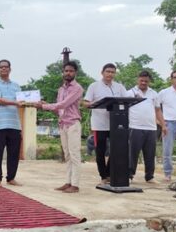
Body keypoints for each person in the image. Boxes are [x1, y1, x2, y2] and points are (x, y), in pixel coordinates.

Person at [36, 61, 84, 193]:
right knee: (67, 155)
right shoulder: (61, 89)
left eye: (71, 71)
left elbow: (63, 104)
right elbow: (59, 109)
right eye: (66, 71)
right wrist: (46, 106)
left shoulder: (77, 88)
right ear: (63, 72)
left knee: (74, 154)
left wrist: (44, 106)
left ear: (75, 73)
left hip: (73, 123)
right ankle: (68, 182)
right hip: (63, 124)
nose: (68, 73)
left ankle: (75, 184)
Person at [82, 63, 127, 185]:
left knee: (116, 150)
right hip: (99, 124)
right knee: (100, 151)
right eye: (108, 72)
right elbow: (85, 103)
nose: (110, 74)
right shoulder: (94, 86)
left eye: (112, 72)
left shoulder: (119, 87)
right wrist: (95, 103)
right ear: (102, 72)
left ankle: (109, 173)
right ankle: (103, 176)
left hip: (115, 123)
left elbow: (127, 100)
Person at [126, 70, 167, 184]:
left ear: (149, 81)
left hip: (151, 128)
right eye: (141, 80)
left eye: (146, 81)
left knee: (150, 154)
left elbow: (158, 110)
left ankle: (149, 176)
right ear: (137, 79)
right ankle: (129, 175)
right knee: (132, 153)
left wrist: (163, 125)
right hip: (134, 127)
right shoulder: (129, 93)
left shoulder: (154, 93)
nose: (143, 83)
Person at [0, 59, 24, 187]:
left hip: (15, 124)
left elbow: (22, 101)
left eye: (6, 67)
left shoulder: (16, 86)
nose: (4, 69)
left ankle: (11, 178)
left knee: (14, 153)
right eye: (1, 67)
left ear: (10, 69)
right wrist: (15, 102)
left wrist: (35, 102)